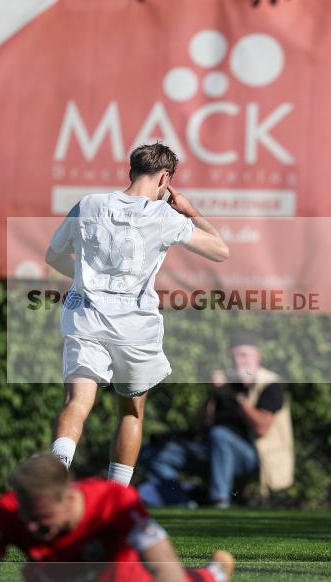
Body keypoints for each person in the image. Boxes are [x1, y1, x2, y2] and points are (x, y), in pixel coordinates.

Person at [45, 142, 229, 485]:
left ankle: (54, 473)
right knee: (131, 411)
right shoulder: (165, 216)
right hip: (135, 328)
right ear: (165, 178)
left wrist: (87, 279)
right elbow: (220, 250)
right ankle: (117, 497)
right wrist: (190, 211)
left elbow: (53, 256)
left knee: (76, 402)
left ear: (131, 171)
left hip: (85, 319)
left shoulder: (89, 204)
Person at [0, 454, 235, 582]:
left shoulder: (116, 501)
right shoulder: (7, 511)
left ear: (69, 497)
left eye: (41, 517)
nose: (29, 526)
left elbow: (170, 577)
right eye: (25, 515)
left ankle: (216, 575)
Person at [141, 333, 294, 508]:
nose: (239, 361)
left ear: (258, 357)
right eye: (234, 356)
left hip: (254, 457)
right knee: (152, 452)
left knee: (220, 435)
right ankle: (183, 502)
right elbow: (198, 426)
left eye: (244, 355)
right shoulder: (227, 382)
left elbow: (261, 428)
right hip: (212, 450)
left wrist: (238, 398)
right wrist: (213, 394)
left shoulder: (270, 384)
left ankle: (219, 501)